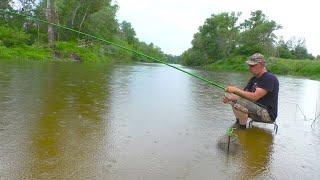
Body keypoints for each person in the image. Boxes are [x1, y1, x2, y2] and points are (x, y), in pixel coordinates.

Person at [222, 53, 279, 128]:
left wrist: (235, 90)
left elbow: (254, 97)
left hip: (267, 114)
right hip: (256, 110)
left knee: (239, 102)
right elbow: (242, 95)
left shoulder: (269, 78)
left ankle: (241, 129)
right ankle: (238, 122)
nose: (249, 68)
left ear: (261, 64)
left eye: (252, 66)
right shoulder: (253, 79)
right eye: (249, 65)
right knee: (231, 99)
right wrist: (229, 97)